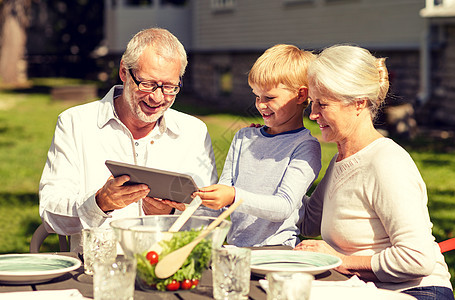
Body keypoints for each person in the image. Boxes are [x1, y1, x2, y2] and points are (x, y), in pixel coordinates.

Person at [39, 28, 218, 252]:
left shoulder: (193, 132)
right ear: (124, 71)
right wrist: (98, 204)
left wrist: (171, 214)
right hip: (99, 270)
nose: (157, 97)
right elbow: (50, 213)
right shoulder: (75, 123)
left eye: (170, 87)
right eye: (148, 84)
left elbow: (213, 217)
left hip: (168, 269)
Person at [296, 45, 453, 299]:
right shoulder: (343, 160)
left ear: (358, 103)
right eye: (312, 104)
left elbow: (417, 258)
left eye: (322, 104)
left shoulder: (385, 163)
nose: (313, 114)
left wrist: (342, 260)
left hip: (417, 292)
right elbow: (307, 222)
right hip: (367, 289)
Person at [190, 44, 322, 247]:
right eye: (256, 96)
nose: (260, 105)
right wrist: (192, 204)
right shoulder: (244, 137)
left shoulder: (305, 147)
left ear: (301, 96)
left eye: (269, 97)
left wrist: (234, 196)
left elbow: (284, 207)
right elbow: (224, 196)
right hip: (236, 247)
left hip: (278, 250)